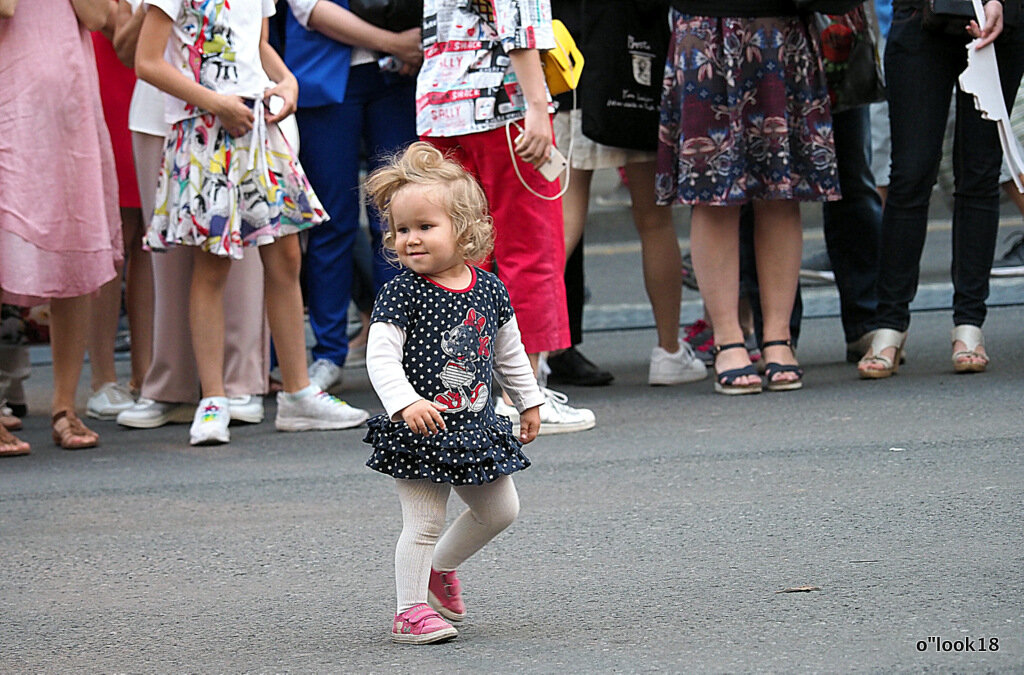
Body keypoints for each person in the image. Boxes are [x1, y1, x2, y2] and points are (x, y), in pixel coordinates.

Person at [135, 0, 368, 445]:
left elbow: (258, 44)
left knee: (285, 259)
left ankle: (298, 394)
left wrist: (286, 79)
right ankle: (213, 398)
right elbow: (147, 62)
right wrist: (215, 103)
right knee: (213, 264)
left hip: (259, 126)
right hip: (206, 127)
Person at [362, 142, 543, 645]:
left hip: (475, 426)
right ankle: (409, 611)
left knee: (501, 511)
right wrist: (405, 402)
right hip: (421, 427)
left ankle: (439, 568)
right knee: (423, 520)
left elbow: (509, 352)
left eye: (425, 227)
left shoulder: (489, 288)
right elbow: (380, 356)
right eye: (401, 230)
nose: (410, 240)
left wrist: (529, 400)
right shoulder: (401, 292)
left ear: (463, 229)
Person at [418, 0, 594, 432]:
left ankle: (462, 392)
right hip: (504, 103)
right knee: (529, 248)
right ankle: (524, 394)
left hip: (442, 106)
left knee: (458, 253)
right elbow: (519, 20)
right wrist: (537, 104)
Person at [657, 1, 840, 395]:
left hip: (782, 25)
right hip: (708, 24)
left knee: (780, 189)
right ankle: (728, 338)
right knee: (712, 192)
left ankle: (777, 338)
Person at [112, 0, 271, 430]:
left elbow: (256, 45)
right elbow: (129, 53)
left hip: (235, 111)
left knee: (242, 258)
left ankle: (240, 385)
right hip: (160, 118)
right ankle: (169, 388)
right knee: (168, 261)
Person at [858, 0, 1024, 378]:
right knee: (910, 175)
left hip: (1000, 18)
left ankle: (969, 324)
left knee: (980, 174)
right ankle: (890, 324)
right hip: (921, 16)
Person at [550, 0, 707, 388]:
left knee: (560, 220)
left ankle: (527, 356)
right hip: (633, 70)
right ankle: (668, 352)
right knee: (654, 221)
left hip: (566, 70)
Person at [1, 0, 123, 453]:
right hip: (10, 103)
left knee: (74, 244)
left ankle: (64, 406)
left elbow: (96, 16)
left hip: (67, 105)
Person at [283, 0, 423, 394]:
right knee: (331, 221)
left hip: (402, 75)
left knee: (401, 221)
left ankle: (405, 349)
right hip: (323, 72)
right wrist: (395, 42)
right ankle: (329, 352)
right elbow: (308, 7)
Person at [88, 19, 155, 421]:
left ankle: (146, 374)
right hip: (106, 82)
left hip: (157, 89)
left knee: (148, 241)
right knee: (111, 238)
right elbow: (118, 36)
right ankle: (103, 379)